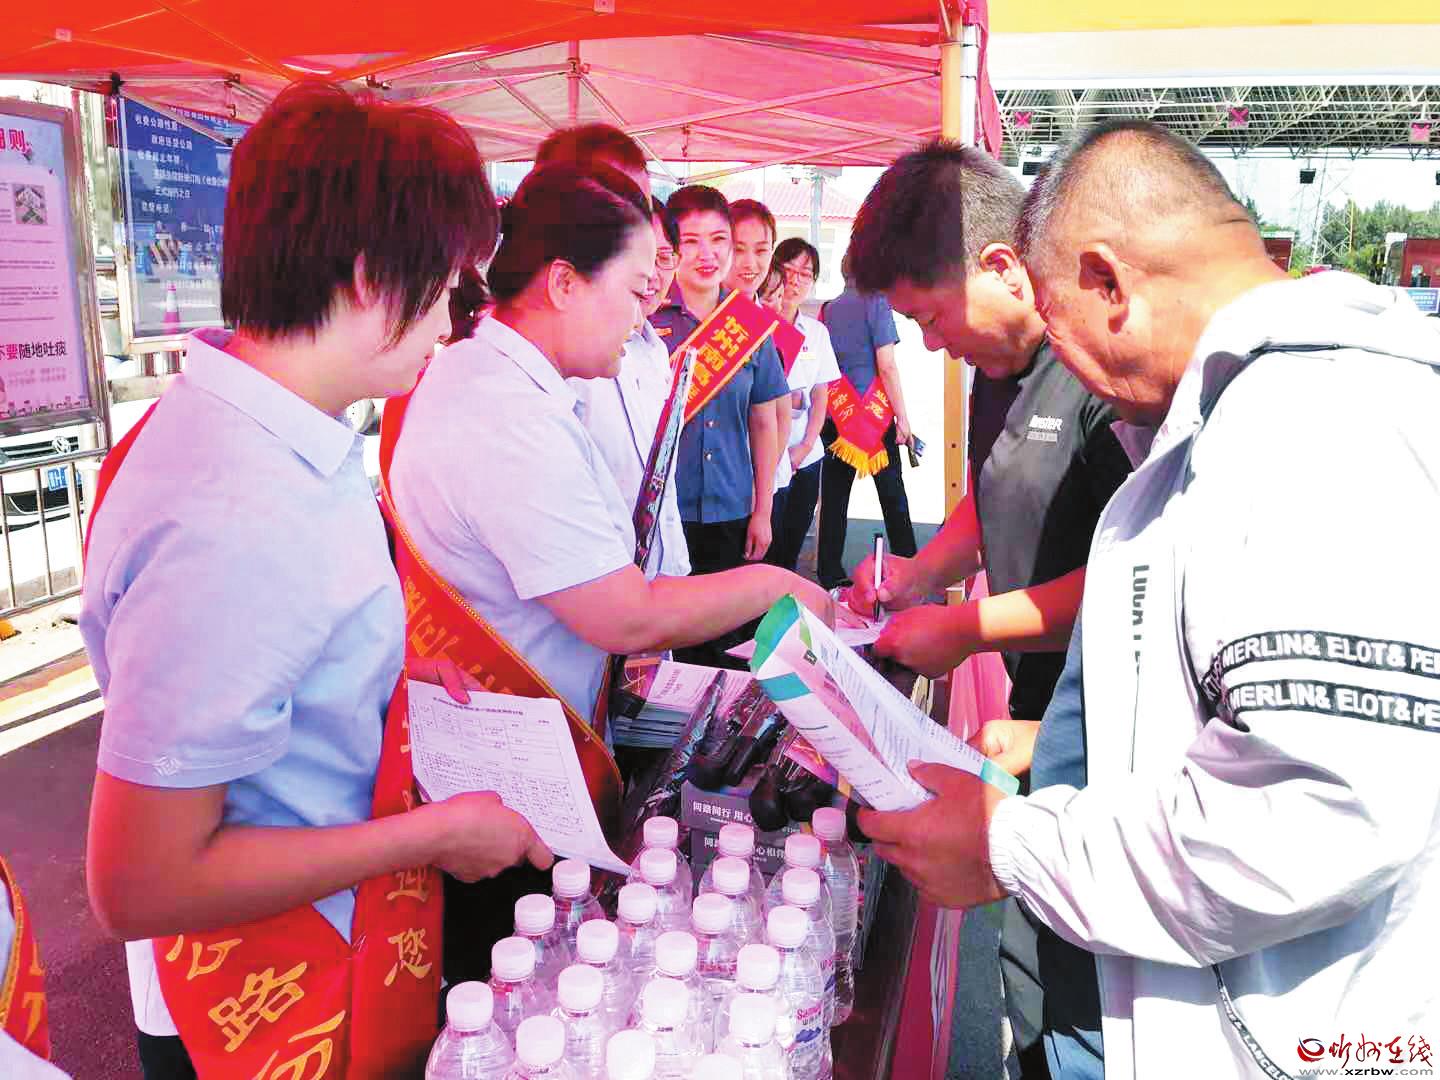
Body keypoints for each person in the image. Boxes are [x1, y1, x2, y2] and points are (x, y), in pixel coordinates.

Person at [859, 119, 1440, 1079]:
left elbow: (1320, 812)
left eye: (1057, 317)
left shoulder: (1312, 430)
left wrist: (1013, 848)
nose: (1057, 349)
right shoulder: (1259, 408)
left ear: (1107, 282)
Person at [80, 82, 549, 1080]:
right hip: (258, 1001)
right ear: (372, 276)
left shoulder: (262, 428)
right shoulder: (232, 512)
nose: (452, 322)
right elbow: (140, 882)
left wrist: (375, 675)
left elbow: (257, 649)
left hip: (319, 953)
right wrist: (433, 834)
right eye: (447, 288)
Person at [386, 165, 833, 985]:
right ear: (563, 284)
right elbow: (624, 614)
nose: (642, 316)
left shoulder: (503, 381)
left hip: (517, 747)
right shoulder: (505, 413)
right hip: (506, 782)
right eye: (632, 291)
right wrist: (777, 585)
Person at [842, 140, 1133, 1080]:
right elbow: (994, 487)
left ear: (1004, 266)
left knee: (1078, 985)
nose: (931, 345)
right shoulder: (999, 366)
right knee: (1031, 961)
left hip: (1111, 730)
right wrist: (918, 576)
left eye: (932, 317)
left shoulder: (1103, 372)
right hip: (1035, 710)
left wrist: (964, 628)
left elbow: (1127, 584)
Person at [534, 124, 689, 579]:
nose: (635, 236)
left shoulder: (652, 349)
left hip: (659, 581)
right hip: (597, 596)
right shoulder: (537, 363)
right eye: (615, 212)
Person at [651, 187, 791, 662]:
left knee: (729, 647)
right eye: (691, 241)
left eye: (718, 240)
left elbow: (765, 424)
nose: (707, 254)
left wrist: (763, 510)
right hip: (664, 515)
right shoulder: (647, 319)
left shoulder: (749, 324)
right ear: (670, 248)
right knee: (670, 644)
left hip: (732, 510)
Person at [816, 253, 917, 589]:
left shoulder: (829, 309)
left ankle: (829, 572)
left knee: (834, 498)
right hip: (874, 417)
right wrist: (903, 419)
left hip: (837, 414)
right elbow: (886, 365)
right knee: (892, 496)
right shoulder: (877, 302)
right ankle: (909, 564)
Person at [765, 238, 840, 573]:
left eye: (805, 274)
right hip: (765, 459)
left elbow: (821, 393)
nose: (795, 281)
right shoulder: (757, 324)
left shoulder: (817, 332)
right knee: (762, 553)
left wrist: (807, 445)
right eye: (788, 270)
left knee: (790, 548)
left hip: (805, 457)